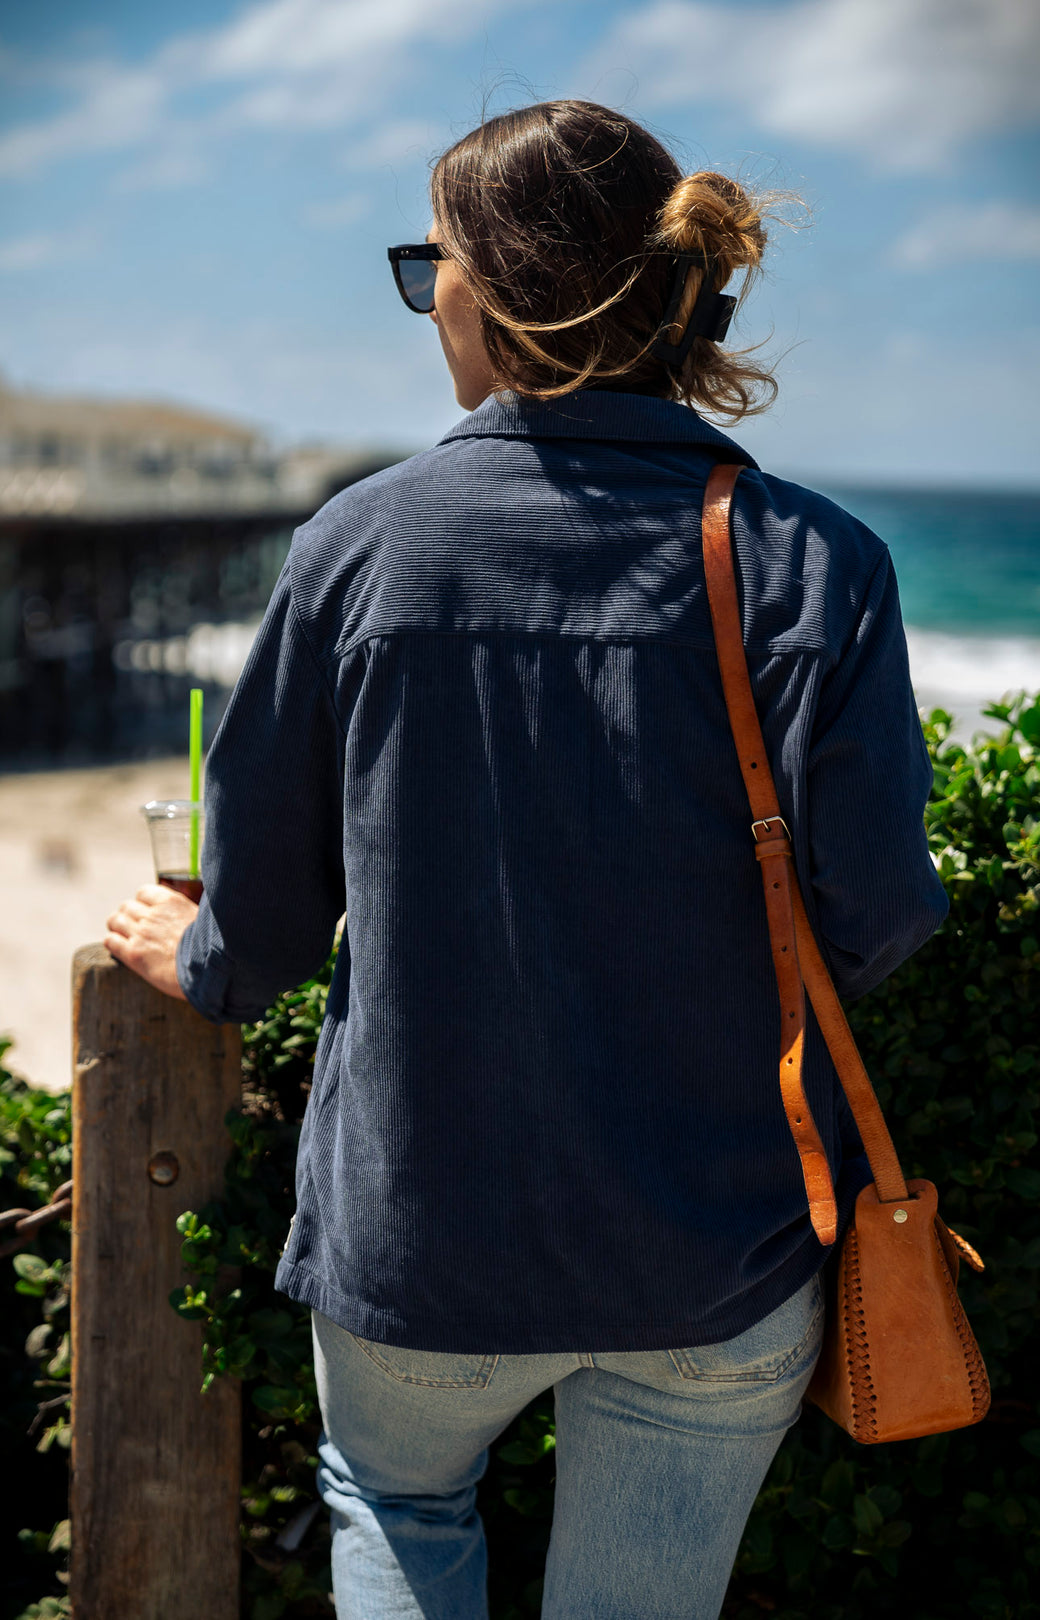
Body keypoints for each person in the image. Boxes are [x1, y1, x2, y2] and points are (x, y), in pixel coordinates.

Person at [105, 99, 948, 1620]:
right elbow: (880, 917)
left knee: (394, 1499)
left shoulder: (358, 547)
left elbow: (271, 922)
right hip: (718, 1248)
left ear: (487, 289)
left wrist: (202, 958)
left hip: (423, 1249)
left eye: (433, 265)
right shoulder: (818, 562)